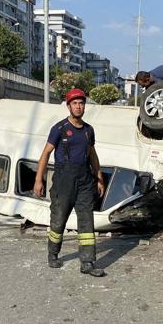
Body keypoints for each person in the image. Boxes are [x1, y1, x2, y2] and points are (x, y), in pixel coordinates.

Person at [34, 88, 106, 277]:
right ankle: (53, 253)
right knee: (58, 220)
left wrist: (99, 178)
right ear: (68, 106)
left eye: (81, 103)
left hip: (84, 181)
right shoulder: (59, 129)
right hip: (63, 181)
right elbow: (45, 154)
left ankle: (88, 262)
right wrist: (38, 179)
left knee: (86, 223)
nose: (79, 106)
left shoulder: (89, 130)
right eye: (75, 103)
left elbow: (92, 155)